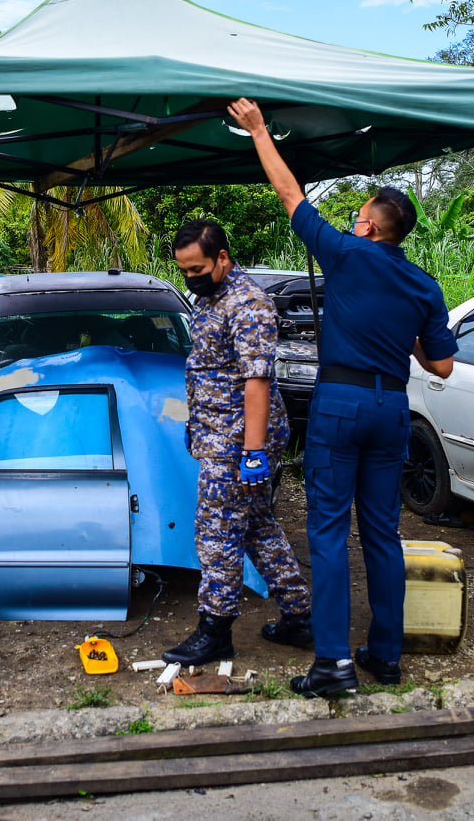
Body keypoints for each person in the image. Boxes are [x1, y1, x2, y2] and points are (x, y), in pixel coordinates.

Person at [228, 99, 458, 698]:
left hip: (342, 404)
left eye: (358, 216)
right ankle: (385, 655)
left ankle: (332, 665)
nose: (353, 222)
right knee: (382, 532)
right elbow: (442, 364)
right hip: (391, 410)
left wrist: (257, 129)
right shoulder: (425, 285)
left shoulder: (348, 254)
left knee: (328, 532)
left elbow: (288, 193)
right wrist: (399, 335)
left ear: (371, 228)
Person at [162, 219, 314, 666]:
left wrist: (251, 453)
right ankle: (299, 616)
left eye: (198, 268)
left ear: (223, 258)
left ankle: (215, 630)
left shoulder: (247, 303)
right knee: (256, 526)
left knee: (218, 533)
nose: (190, 279)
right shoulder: (213, 296)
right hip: (220, 432)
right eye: (184, 271)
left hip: (236, 439)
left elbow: (257, 382)